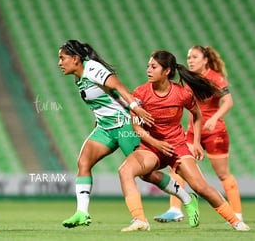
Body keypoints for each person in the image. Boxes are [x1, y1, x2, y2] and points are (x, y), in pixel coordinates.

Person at [58, 40, 199, 229]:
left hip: (125, 125)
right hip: (105, 128)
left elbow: (118, 86)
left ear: (75, 59)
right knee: (83, 162)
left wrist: (135, 107)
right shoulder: (80, 77)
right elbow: (103, 102)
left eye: (62, 58)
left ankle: (187, 198)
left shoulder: (92, 68)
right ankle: (82, 212)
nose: (59, 63)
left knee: (146, 175)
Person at [118, 50, 250, 231]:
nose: (148, 70)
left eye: (153, 67)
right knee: (125, 170)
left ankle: (236, 221)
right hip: (151, 147)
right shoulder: (140, 93)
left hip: (177, 147)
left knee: (201, 187)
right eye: (148, 66)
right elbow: (137, 128)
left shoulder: (181, 94)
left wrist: (195, 143)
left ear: (166, 71)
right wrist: (156, 144)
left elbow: (197, 115)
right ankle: (140, 220)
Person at [154, 46, 243, 223]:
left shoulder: (216, 78)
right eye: (188, 57)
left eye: (195, 57)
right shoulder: (188, 79)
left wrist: (215, 117)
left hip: (214, 132)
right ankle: (175, 209)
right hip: (192, 132)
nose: (190, 60)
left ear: (205, 60)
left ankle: (237, 213)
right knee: (176, 166)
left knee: (223, 173)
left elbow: (228, 101)